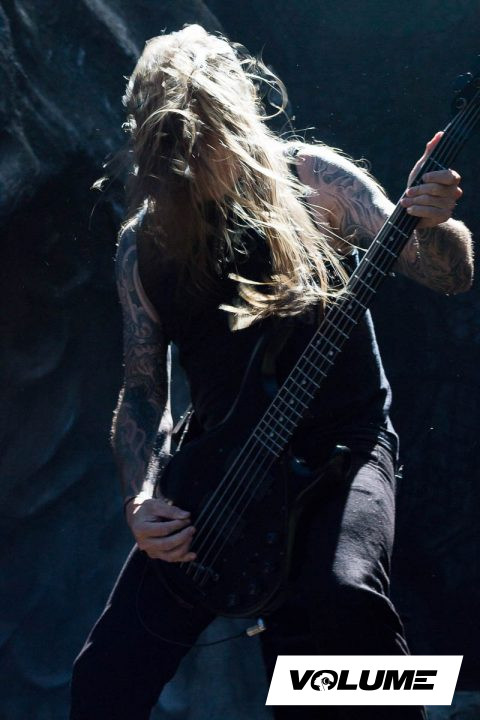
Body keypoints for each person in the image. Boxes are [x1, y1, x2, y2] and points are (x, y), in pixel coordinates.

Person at [70, 24, 473, 720]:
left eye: (205, 136)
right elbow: (141, 391)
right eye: (173, 144)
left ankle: (425, 704)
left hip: (341, 451)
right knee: (104, 674)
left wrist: (435, 223)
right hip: (218, 469)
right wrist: (141, 498)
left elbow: (447, 275)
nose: (194, 159)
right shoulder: (143, 244)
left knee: (344, 601)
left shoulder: (314, 180)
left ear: (234, 117)